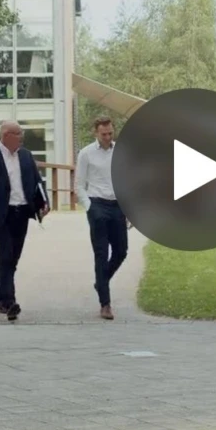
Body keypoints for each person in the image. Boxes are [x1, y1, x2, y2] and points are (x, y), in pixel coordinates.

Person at [0, 120, 49, 321]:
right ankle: (9, 302)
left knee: (13, 258)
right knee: (6, 256)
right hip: (1, 215)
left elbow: (37, 181)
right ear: (6, 135)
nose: (22, 136)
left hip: (22, 213)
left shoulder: (25, 156)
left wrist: (44, 203)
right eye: (18, 133)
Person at [76, 115, 129, 320]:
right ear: (96, 133)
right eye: (103, 134)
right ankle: (105, 304)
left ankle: (101, 282)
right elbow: (79, 184)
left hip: (117, 205)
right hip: (97, 204)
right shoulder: (86, 154)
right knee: (101, 253)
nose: (107, 137)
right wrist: (89, 207)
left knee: (121, 251)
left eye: (110, 133)